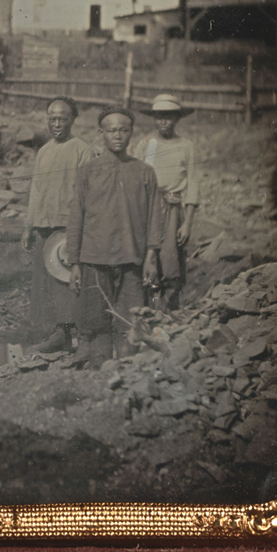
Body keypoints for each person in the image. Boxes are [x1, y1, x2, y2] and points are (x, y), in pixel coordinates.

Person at [64, 106, 163, 365]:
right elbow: (76, 218)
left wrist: (151, 256)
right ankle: (100, 373)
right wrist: (75, 263)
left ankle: (127, 374)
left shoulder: (144, 172)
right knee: (96, 320)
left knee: (130, 319)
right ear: (101, 133)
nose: (117, 135)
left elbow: (155, 216)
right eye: (111, 130)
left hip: (132, 258)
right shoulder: (88, 171)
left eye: (123, 130)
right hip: (95, 259)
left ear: (131, 133)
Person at [21, 96, 98, 353]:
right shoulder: (43, 151)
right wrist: (28, 226)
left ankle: (77, 335)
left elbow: (88, 195)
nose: (56, 124)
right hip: (44, 224)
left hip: (67, 228)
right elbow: (36, 189)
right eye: (52, 119)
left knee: (67, 280)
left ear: (72, 120)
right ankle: (58, 334)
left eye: (62, 119)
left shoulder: (82, 150)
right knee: (45, 280)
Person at [132, 93, 199, 309]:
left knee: (169, 261)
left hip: (171, 211)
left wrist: (187, 222)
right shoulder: (146, 144)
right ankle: (149, 310)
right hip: (148, 209)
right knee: (146, 257)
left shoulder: (187, 146)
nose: (163, 121)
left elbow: (193, 184)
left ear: (177, 119)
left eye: (168, 117)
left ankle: (169, 312)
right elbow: (136, 177)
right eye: (159, 117)